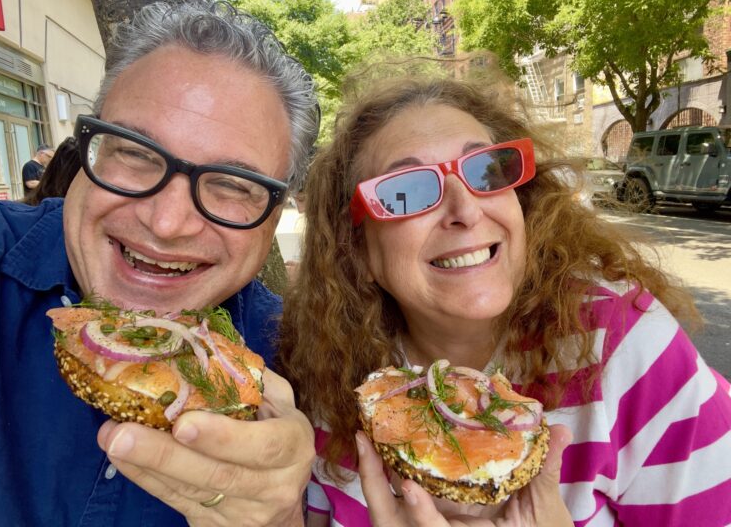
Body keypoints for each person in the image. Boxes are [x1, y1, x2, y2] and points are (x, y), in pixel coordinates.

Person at [277, 67, 731, 526]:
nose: (466, 210)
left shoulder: (627, 344)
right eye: (406, 192)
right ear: (357, 252)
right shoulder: (329, 376)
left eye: (487, 171)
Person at [0, 0, 320, 527]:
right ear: (87, 149)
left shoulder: (302, 364)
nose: (168, 222)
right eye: (134, 151)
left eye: (232, 185)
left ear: (275, 219)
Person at [22, 136, 81, 205]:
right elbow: (30, 183)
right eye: (49, 156)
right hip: (36, 202)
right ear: (41, 153)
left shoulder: (44, 167)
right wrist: (50, 182)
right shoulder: (29, 165)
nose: (50, 159)